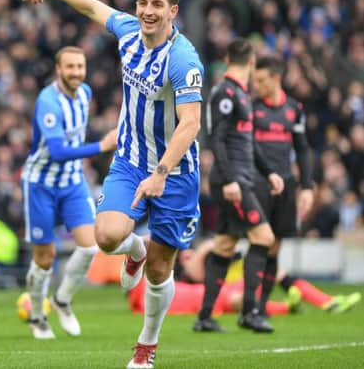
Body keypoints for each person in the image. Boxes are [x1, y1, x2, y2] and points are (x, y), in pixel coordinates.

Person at [18, 0, 203, 369]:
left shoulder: (183, 59)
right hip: (131, 161)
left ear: (172, 11)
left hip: (176, 172)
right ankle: (134, 248)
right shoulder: (129, 31)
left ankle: (146, 346)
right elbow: (90, 5)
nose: (147, 11)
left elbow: (190, 123)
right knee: (106, 237)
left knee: (160, 268)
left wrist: (163, 172)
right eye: (142, 3)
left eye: (157, 5)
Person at [20, 46, 117, 339]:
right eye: (70, 67)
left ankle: (62, 299)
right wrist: (101, 146)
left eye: (80, 67)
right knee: (45, 258)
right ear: (58, 70)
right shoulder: (48, 102)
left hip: (73, 182)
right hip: (41, 184)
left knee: (90, 247)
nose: (76, 72)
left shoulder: (85, 93)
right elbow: (58, 151)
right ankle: (38, 317)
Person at [194, 39, 284, 334]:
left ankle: (205, 317)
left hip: (240, 178)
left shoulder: (241, 93)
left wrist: (268, 171)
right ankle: (249, 312)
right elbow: (217, 138)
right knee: (264, 237)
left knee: (224, 245)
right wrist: (231, 178)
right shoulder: (226, 92)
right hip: (232, 181)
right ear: (252, 61)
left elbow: (248, 141)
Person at [130, 239, 361, 316]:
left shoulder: (167, 276)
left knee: (273, 272)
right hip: (214, 294)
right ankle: (287, 306)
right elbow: (197, 271)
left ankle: (325, 301)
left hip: (217, 290)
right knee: (240, 299)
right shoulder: (177, 272)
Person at [251, 55, 315, 318]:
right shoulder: (252, 108)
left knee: (275, 246)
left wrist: (307, 186)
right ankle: (248, 303)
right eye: (255, 80)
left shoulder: (294, 109)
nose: (257, 85)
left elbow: (302, 149)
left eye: (262, 80)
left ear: (277, 78)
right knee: (258, 242)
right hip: (257, 184)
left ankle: (261, 305)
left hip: (286, 185)